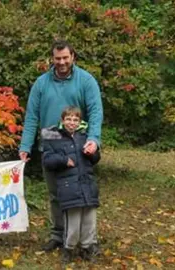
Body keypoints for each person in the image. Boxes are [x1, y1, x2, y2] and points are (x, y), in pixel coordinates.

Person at [18, 40, 103, 252]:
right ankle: (58, 234)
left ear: (73, 56)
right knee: (56, 194)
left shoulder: (86, 80)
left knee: (81, 194)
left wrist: (94, 138)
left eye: (65, 57)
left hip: (78, 143)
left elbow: (95, 111)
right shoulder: (41, 83)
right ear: (52, 59)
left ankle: (85, 241)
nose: (62, 62)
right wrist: (25, 146)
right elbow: (31, 117)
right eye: (58, 59)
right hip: (51, 142)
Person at [41, 106, 101, 263]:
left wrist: (93, 152)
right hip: (69, 187)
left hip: (87, 184)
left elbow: (95, 159)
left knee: (89, 218)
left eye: (75, 120)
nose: (72, 123)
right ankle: (69, 248)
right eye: (68, 119)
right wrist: (63, 160)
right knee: (72, 221)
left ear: (80, 122)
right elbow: (47, 161)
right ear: (62, 121)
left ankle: (88, 247)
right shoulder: (54, 137)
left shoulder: (85, 136)